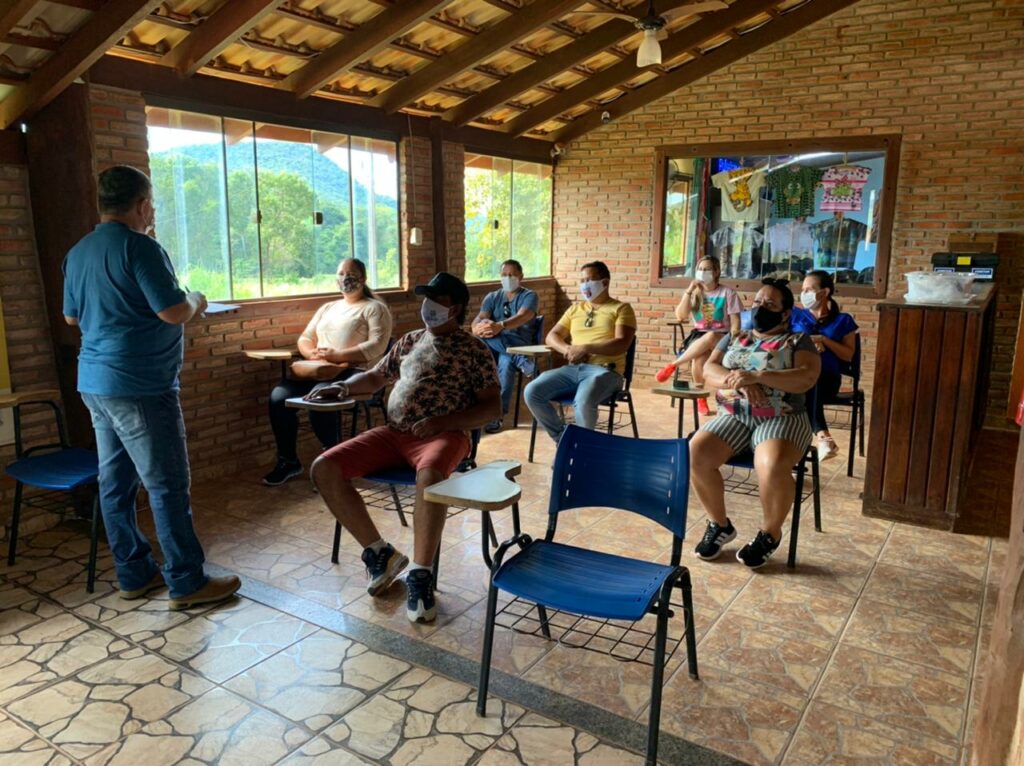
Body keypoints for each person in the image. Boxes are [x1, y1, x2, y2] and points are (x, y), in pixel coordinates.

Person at [62, 165, 239, 610]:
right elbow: (174, 311)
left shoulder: (78, 252)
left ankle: (135, 573)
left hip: (95, 383)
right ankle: (186, 580)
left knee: (115, 481)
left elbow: (71, 318)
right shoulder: (141, 248)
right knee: (167, 484)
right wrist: (197, 298)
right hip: (140, 385)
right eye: (151, 205)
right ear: (142, 205)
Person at [307, 272, 500, 623]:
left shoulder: (474, 350)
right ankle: (379, 553)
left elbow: (491, 407)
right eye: (425, 299)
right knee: (324, 467)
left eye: (435, 301)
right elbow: (376, 377)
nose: (427, 307)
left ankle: (421, 573)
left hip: (445, 435)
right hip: (394, 433)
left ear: (454, 308)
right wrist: (345, 388)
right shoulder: (410, 340)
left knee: (429, 476)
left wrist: (444, 422)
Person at [689, 279, 821, 569]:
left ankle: (769, 533)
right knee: (696, 451)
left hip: (782, 417)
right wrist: (736, 381)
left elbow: (806, 378)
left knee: (770, 464)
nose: (761, 309)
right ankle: (719, 524)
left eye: (770, 305)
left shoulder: (798, 341)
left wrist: (758, 377)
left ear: (786, 314)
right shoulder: (737, 336)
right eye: (758, 303)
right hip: (736, 414)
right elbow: (709, 369)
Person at [262, 258, 392, 486]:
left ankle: (334, 461)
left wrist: (337, 356)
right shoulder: (328, 308)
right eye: (341, 273)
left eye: (351, 273)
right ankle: (289, 460)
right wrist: (312, 353)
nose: (346, 278)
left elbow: (377, 347)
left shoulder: (375, 308)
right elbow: (304, 338)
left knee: (321, 397)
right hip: (318, 370)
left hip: (353, 373)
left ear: (363, 278)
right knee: (278, 397)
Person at [524, 261, 636, 443]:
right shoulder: (575, 309)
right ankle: (565, 441)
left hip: (606, 371)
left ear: (605, 283)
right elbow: (552, 336)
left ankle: (583, 449)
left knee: (583, 401)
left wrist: (586, 347)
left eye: (590, 280)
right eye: (582, 280)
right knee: (532, 391)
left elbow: (622, 343)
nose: (585, 285)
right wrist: (568, 349)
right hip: (573, 369)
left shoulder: (621, 309)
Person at [791, 270, 858, 462]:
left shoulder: (843, 320)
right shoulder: (796, 315)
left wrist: (824, 341)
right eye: (802, 289)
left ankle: (819, 439)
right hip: (797, 374)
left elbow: (848, 355)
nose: (804, 293)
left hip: (827, 379)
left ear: (824, 292)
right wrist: (806, 343)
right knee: (799, 389)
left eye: (809, 289)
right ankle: (822, 439)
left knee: (807, 386)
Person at [471, 259, 539, 434]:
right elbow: (479, 319)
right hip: (497, 346)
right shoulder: (492, 297)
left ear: (521, 276)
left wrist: (499, 326)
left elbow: (524, 316)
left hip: (520, 343)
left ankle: (497, 417)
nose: (507, 278)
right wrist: (478, 327)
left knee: (506, 363)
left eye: (512, 275)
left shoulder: (529, 296)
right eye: (504, 275)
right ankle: (520, 360)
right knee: (486, 327)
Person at [672, 256, 742, 415]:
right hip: (698, 337)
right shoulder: (695, 293)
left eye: (707, 269)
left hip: (722, 336)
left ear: (716, 271)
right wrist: (689, 290)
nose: (702, 272)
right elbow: (681, 316)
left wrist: (735, 338)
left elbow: (736, 321)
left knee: (711, 336)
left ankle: (675, 364)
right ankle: (700, 398)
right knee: (699, 358)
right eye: (700, 269)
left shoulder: (728, 292)